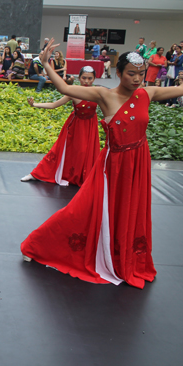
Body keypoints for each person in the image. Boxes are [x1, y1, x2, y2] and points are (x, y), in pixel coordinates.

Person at [21, 38, 183, 289]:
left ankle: (124, 255)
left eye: (141, 74)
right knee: (83, 208)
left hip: (138, 163)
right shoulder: (103, 95)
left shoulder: (147, 93)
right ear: (118, 73)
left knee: (130, 211)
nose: (137, 79)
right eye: (131, 74)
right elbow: (64, 89)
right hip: (113, 165)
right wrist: (46, 65)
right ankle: (37, 244)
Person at [21, 66, 100, 187]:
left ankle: (84, 177)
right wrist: (35, 104)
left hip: (91, 126)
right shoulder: (74, 92)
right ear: (79, 78)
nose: (87, 81)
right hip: (76, 127)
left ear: (94, 79)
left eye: (90, 78)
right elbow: (54, 105)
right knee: (62, 150)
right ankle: (37, 173)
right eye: (84, 78)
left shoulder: (98, 93)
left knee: (85, 152)